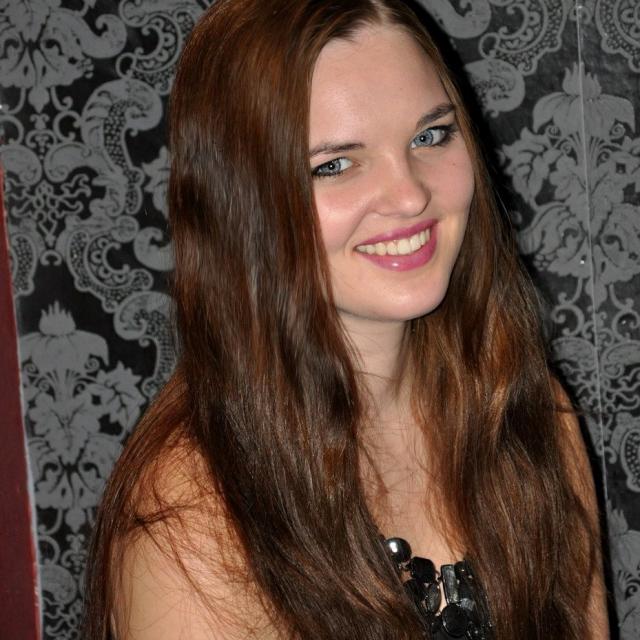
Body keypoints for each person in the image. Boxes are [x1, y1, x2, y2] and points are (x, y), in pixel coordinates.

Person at [83, 0, 609, 638]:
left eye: (430, 136)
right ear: (241, 204)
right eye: (334, 165)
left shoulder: (527, 412)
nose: (409, 195)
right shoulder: (191, 522)